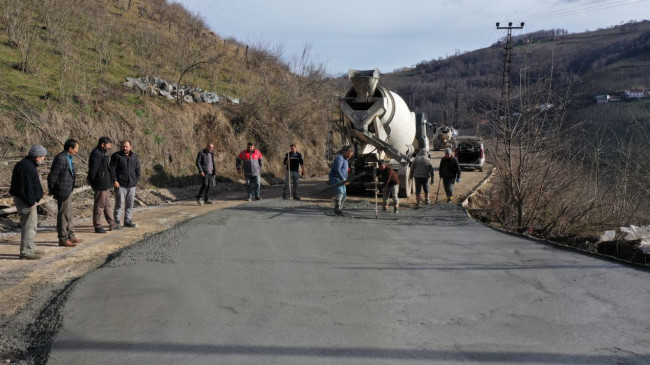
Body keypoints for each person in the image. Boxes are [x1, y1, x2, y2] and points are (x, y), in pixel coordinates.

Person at [10, 145, 47, 260]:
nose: (44, 159)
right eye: (43, 157)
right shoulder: (26, 167)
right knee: (28, 226)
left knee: (31, 225)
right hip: (26, 201)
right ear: (37, 157)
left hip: (27, 200)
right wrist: (31, 202)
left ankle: (31, 247)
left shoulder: (27, 164)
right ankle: (26, 251)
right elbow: (26, 188)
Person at [47, 139, 83, 247]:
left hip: (68, 189)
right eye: (76, 149)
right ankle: (63, 239)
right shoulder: (61, 158)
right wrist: (52, 190)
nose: (77, 151)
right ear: (70, 149)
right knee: (63, 215)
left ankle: (71, 236)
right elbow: (52, 176)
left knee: (69, 214)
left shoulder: (68, 157)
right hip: (62, 191)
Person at [88, 136, 117, 233]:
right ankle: (98, 226)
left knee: (108, 205)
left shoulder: (103, 152)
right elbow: (93, 169)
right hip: (100, 184)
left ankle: (112, 223)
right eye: (108, 145)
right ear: (102, 144)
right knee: (99, 205)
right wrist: (93, 182)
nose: (110, 147)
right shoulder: (96, 153)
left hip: (106, 183)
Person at [110, 140, 141, 228]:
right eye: (123, 146)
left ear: (130, 147)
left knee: (130, 204)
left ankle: (127, 220)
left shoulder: (134, 156)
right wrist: (115, 180)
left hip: (131, 185)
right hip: (120, 185)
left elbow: (137, 169)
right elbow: (112, 170)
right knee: (119, 203)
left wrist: (136, 180)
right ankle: (117, 222)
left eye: (126, 146)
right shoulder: (116, 156)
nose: (125, 148)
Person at [328, 146, 354, 215]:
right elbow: (337, 169)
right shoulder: (340, 158)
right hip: (335, 177)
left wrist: (346, 178)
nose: (350, 156)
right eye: (349, 154)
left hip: (342, 179)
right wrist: (342, 178)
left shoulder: (346, 160)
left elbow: (345, 170)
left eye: (351, 155)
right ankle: (337, 209)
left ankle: (340, 208)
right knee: (340, 192)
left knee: (344, 194)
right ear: (344, 152)